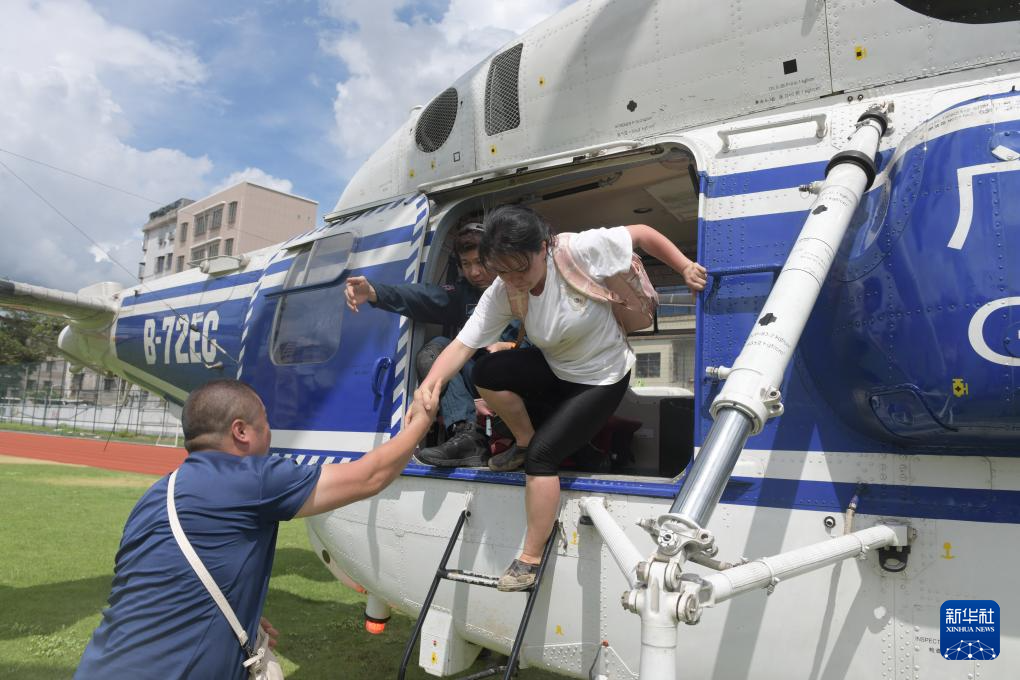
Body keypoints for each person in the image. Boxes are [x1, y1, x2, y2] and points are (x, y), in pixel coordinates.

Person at [419, 205, 707, 591]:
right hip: (557, 368)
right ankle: (522, 441)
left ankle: (529, 560)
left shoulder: (578, 251)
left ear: (543, 248)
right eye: (502, 271)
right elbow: (462, 345)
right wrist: (430, 387)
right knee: (487, 371)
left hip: (602, 378)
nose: (513, 280)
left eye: (520, 269)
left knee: (543, 457)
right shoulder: (505, 288)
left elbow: (641, 233)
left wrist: (685, 266)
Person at [74, 378, 433, 679]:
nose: (270, 433)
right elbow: (370, 476)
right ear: (241, 431)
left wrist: (237, 608)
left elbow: (146, 584)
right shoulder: (251, 478)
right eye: (265, 422)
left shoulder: (156, 494)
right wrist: (422, 419)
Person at [345, 222, 519, 468]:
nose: (474, 272)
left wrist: (508, 347)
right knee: (436, 348)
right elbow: (422, 296)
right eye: (466, 264)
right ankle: (467, 436)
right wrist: (374, 292)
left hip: (519, 378)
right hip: (480, 379)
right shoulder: (464, 294)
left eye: (480, 262)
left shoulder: (520, 286)